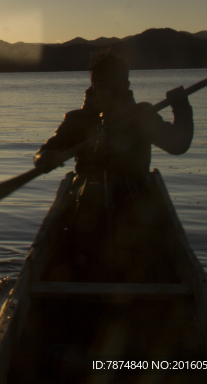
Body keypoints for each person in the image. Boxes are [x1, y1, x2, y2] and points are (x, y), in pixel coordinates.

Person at [32, 49, 194, 281]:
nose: (108, 90)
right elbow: (43, 152)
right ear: (93, 85)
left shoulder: (142, 116)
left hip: (134, 206)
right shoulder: (77, 120)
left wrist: (182, 108)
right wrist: (46, 158)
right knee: (90, 195)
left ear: (125, 84)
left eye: (114, 84)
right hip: (87, 208)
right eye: (101, 84)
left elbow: (178, 144)